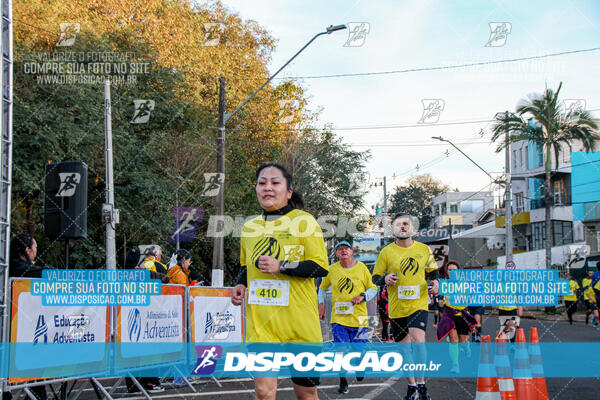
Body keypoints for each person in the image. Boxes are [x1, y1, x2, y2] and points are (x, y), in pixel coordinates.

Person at [231, 162, 328, 400]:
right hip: (262, 326)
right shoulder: (249, 227)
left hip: (300, 325)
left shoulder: (304, 222)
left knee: (306, 393)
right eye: (262, 183)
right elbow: (247, 265)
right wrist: (240, 284)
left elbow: (320, 267)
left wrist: (282, 266)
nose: (268, 188)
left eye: (275, 183)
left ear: (288, 191)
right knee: (264, 392)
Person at [372, 214, 439, 400]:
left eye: (406, 224)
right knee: (403, 348)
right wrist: (384, 279)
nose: (402, 227)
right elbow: (375, 277)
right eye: (398, 224)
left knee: (418, 340)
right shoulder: (387, 252)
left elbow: (434, 272)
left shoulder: (424, 249)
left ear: (412, 228)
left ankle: (422, 383)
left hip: (418, 304)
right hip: (396, 307)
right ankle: (412, 386)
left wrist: (435, 283)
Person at [318, 241, 377, 394]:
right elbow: (322, 289)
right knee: (341, 351)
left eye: (346, 248)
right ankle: (343, 381)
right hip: (339, 319)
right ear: (336, 254)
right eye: (340, 249)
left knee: (359, 349)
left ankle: (360, 365)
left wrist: (362, 296)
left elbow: (373, 288)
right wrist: (321, 305)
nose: (343, 251)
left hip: (360, 319)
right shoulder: (332, 269)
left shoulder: (362, 268)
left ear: (352, 252)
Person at [7, 234, 49, 400]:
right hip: (17, 333)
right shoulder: (18, 269)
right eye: (35, 248)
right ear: (27, 250)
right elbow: (39, 273)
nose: (36, 252)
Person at [124, 248, 164, 394]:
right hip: (144, 318)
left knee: (131, 354)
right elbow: (162, 281)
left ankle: (133, 385)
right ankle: (150, 382)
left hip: (127, 321)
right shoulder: (141, 274)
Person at [436, 260, 476, 374]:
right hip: (449, 314)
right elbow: (438, 294)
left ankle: (467, 347)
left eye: (455, 270)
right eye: (450, 270)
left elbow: (473, 297)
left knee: (463, 342)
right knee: (454, 340)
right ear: (447, 272)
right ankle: (455, 365)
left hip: (462, 315)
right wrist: (439, 300)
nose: (452, 272)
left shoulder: (465, 284)